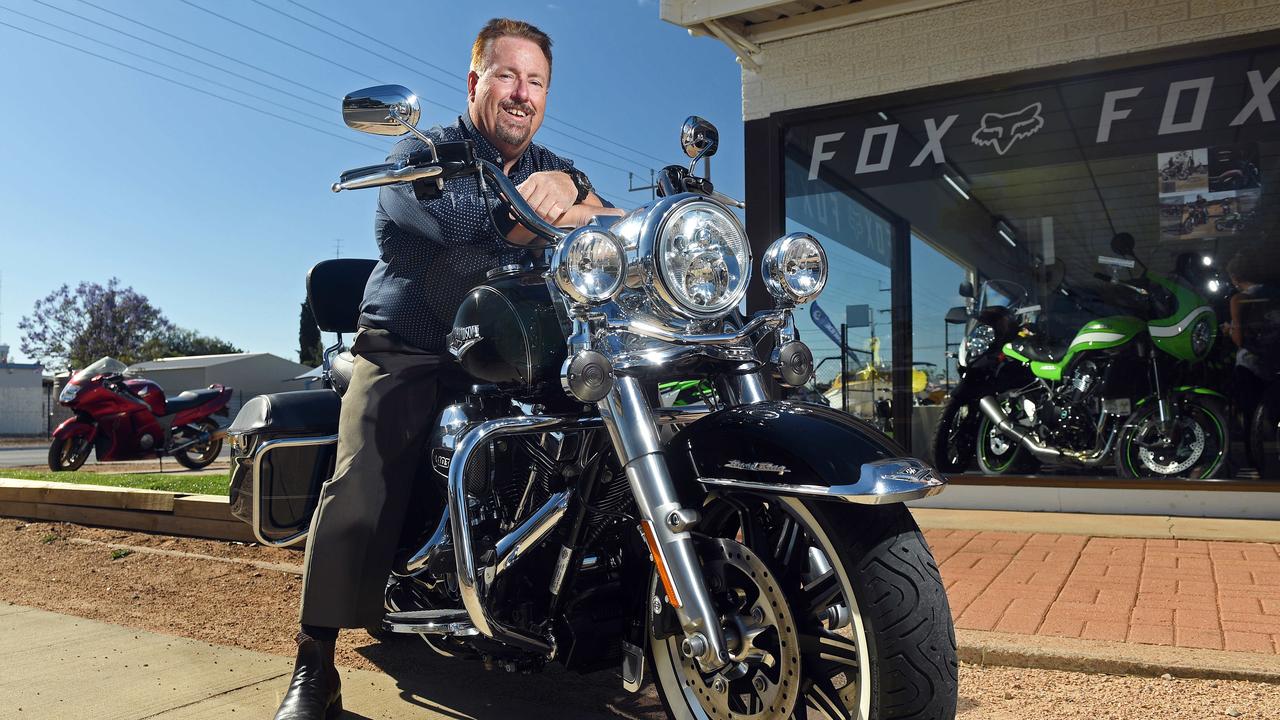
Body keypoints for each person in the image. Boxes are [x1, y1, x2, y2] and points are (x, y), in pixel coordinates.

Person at [273, 18, 624, 720]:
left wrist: (577, 197)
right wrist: (555, 204)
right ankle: (314, 663)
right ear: (475, 82)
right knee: (367, 470)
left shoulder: (556, 163)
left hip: (513, 349)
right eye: (506, 75)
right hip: (413, 343)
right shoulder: (425, 152)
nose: (521, 93)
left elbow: (608, 217)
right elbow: (469, 235)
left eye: (535, 81)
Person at [1222, 252, 1280, 462]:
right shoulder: (1275, 294)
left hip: (1251, 365)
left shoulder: (1240, 299)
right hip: (1276, 362)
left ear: (1235, 277)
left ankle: (1255, 463)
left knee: (1250, 415)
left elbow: (1238, 338)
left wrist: (1229, 330)